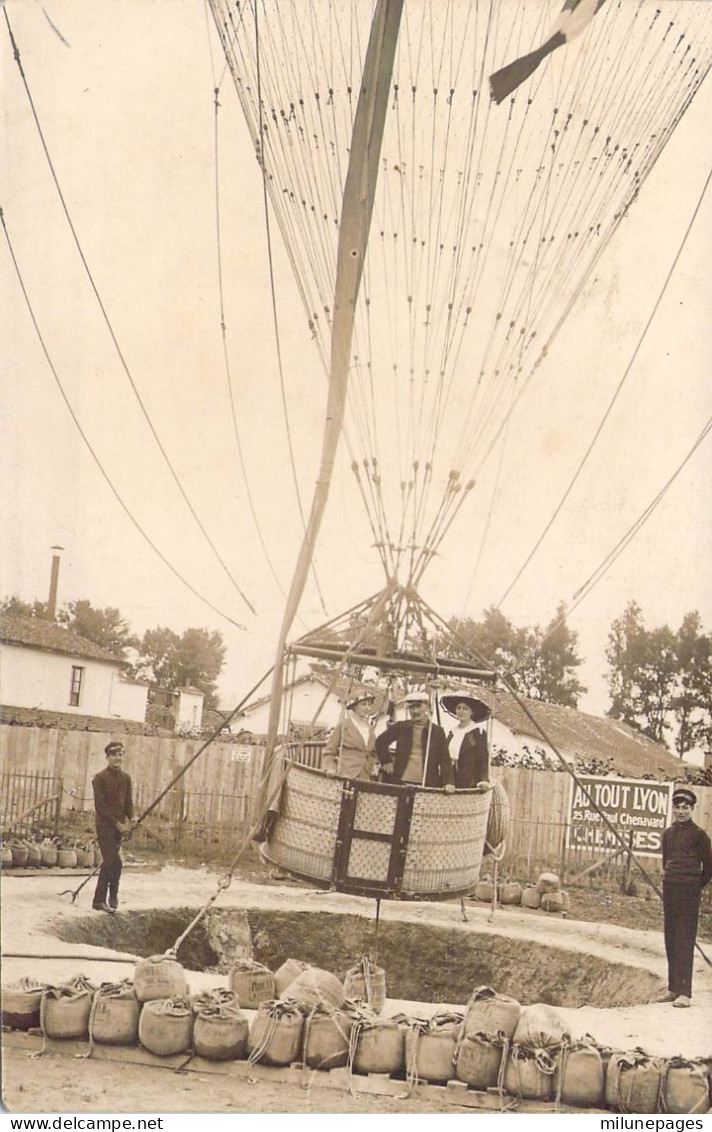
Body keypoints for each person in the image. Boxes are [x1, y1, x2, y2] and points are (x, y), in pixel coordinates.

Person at [657, 786, 712, 1007]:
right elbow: (665, 860)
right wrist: (670, 880)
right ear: (673, 808)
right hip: (670, 888)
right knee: (670, 937)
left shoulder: (699, 836)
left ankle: (685, 993)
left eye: (685, 807)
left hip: (689, 891)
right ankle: (673, 989)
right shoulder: (668, 833)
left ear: (692, 809)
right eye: (677, 807)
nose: (681, 811)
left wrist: (695, 885)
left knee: (684, 938)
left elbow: (708, 867)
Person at [375, 690, 454, 789]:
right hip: (401, 780)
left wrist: (449, 782)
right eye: (412, 707)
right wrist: (386, 761)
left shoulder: (437, 732)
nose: (415, 711)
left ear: (427, 707)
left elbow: (445, 759)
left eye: (419, 706)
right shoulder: (401, 727)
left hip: (427, 782)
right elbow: (380, 742)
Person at [92, 740, 136, 913]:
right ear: (107, 757)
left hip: (120, 828)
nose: (118, 758)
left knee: (111, 863)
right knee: (113, 862)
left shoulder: (126, 778)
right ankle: (108, 897)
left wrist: (132, 818)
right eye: (114, 754)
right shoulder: (100, 778)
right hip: (105, 827)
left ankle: (104, 899)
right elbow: (100, 807)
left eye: (120, 754)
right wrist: (119, 825)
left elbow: (128, 803)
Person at [322, 691, 377, 779]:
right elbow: (329, 751)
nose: (367, 708)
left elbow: (373, 752)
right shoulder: (344, 725)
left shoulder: (370, 728)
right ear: (354, 706)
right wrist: (330, 767)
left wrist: (372, 765)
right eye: (364, 704)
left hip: (364, 774)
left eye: (369, 705)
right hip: (346, 771)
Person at [440, 693, 490, 788]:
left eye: (465, 709)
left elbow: (483, 758)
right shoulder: (452, 732)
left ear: (472, 712)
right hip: (449, 779)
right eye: (458, 708)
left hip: (468, 779)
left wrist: (484, 780)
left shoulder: (478, 732)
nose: (461, 711)